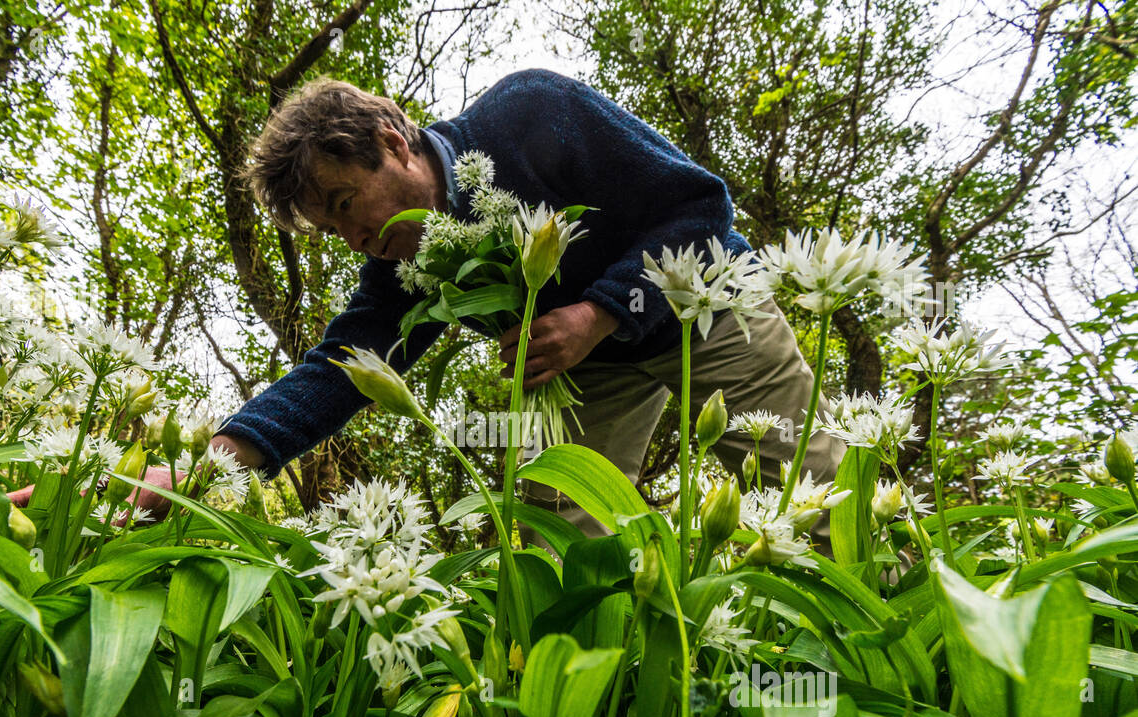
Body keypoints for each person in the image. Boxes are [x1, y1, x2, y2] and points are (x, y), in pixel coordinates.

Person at [43, 69, 846, 539]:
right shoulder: (403, 261)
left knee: (812, 492)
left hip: (705, 302)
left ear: (394, 141)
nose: (353, 236)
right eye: (331, 228)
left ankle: (912, 628)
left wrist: (598, 311)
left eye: (348, 202)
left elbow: (703, 209)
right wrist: (197, 468)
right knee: (560, 531)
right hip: (585, 376)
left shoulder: (532, 112)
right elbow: (338, 371)